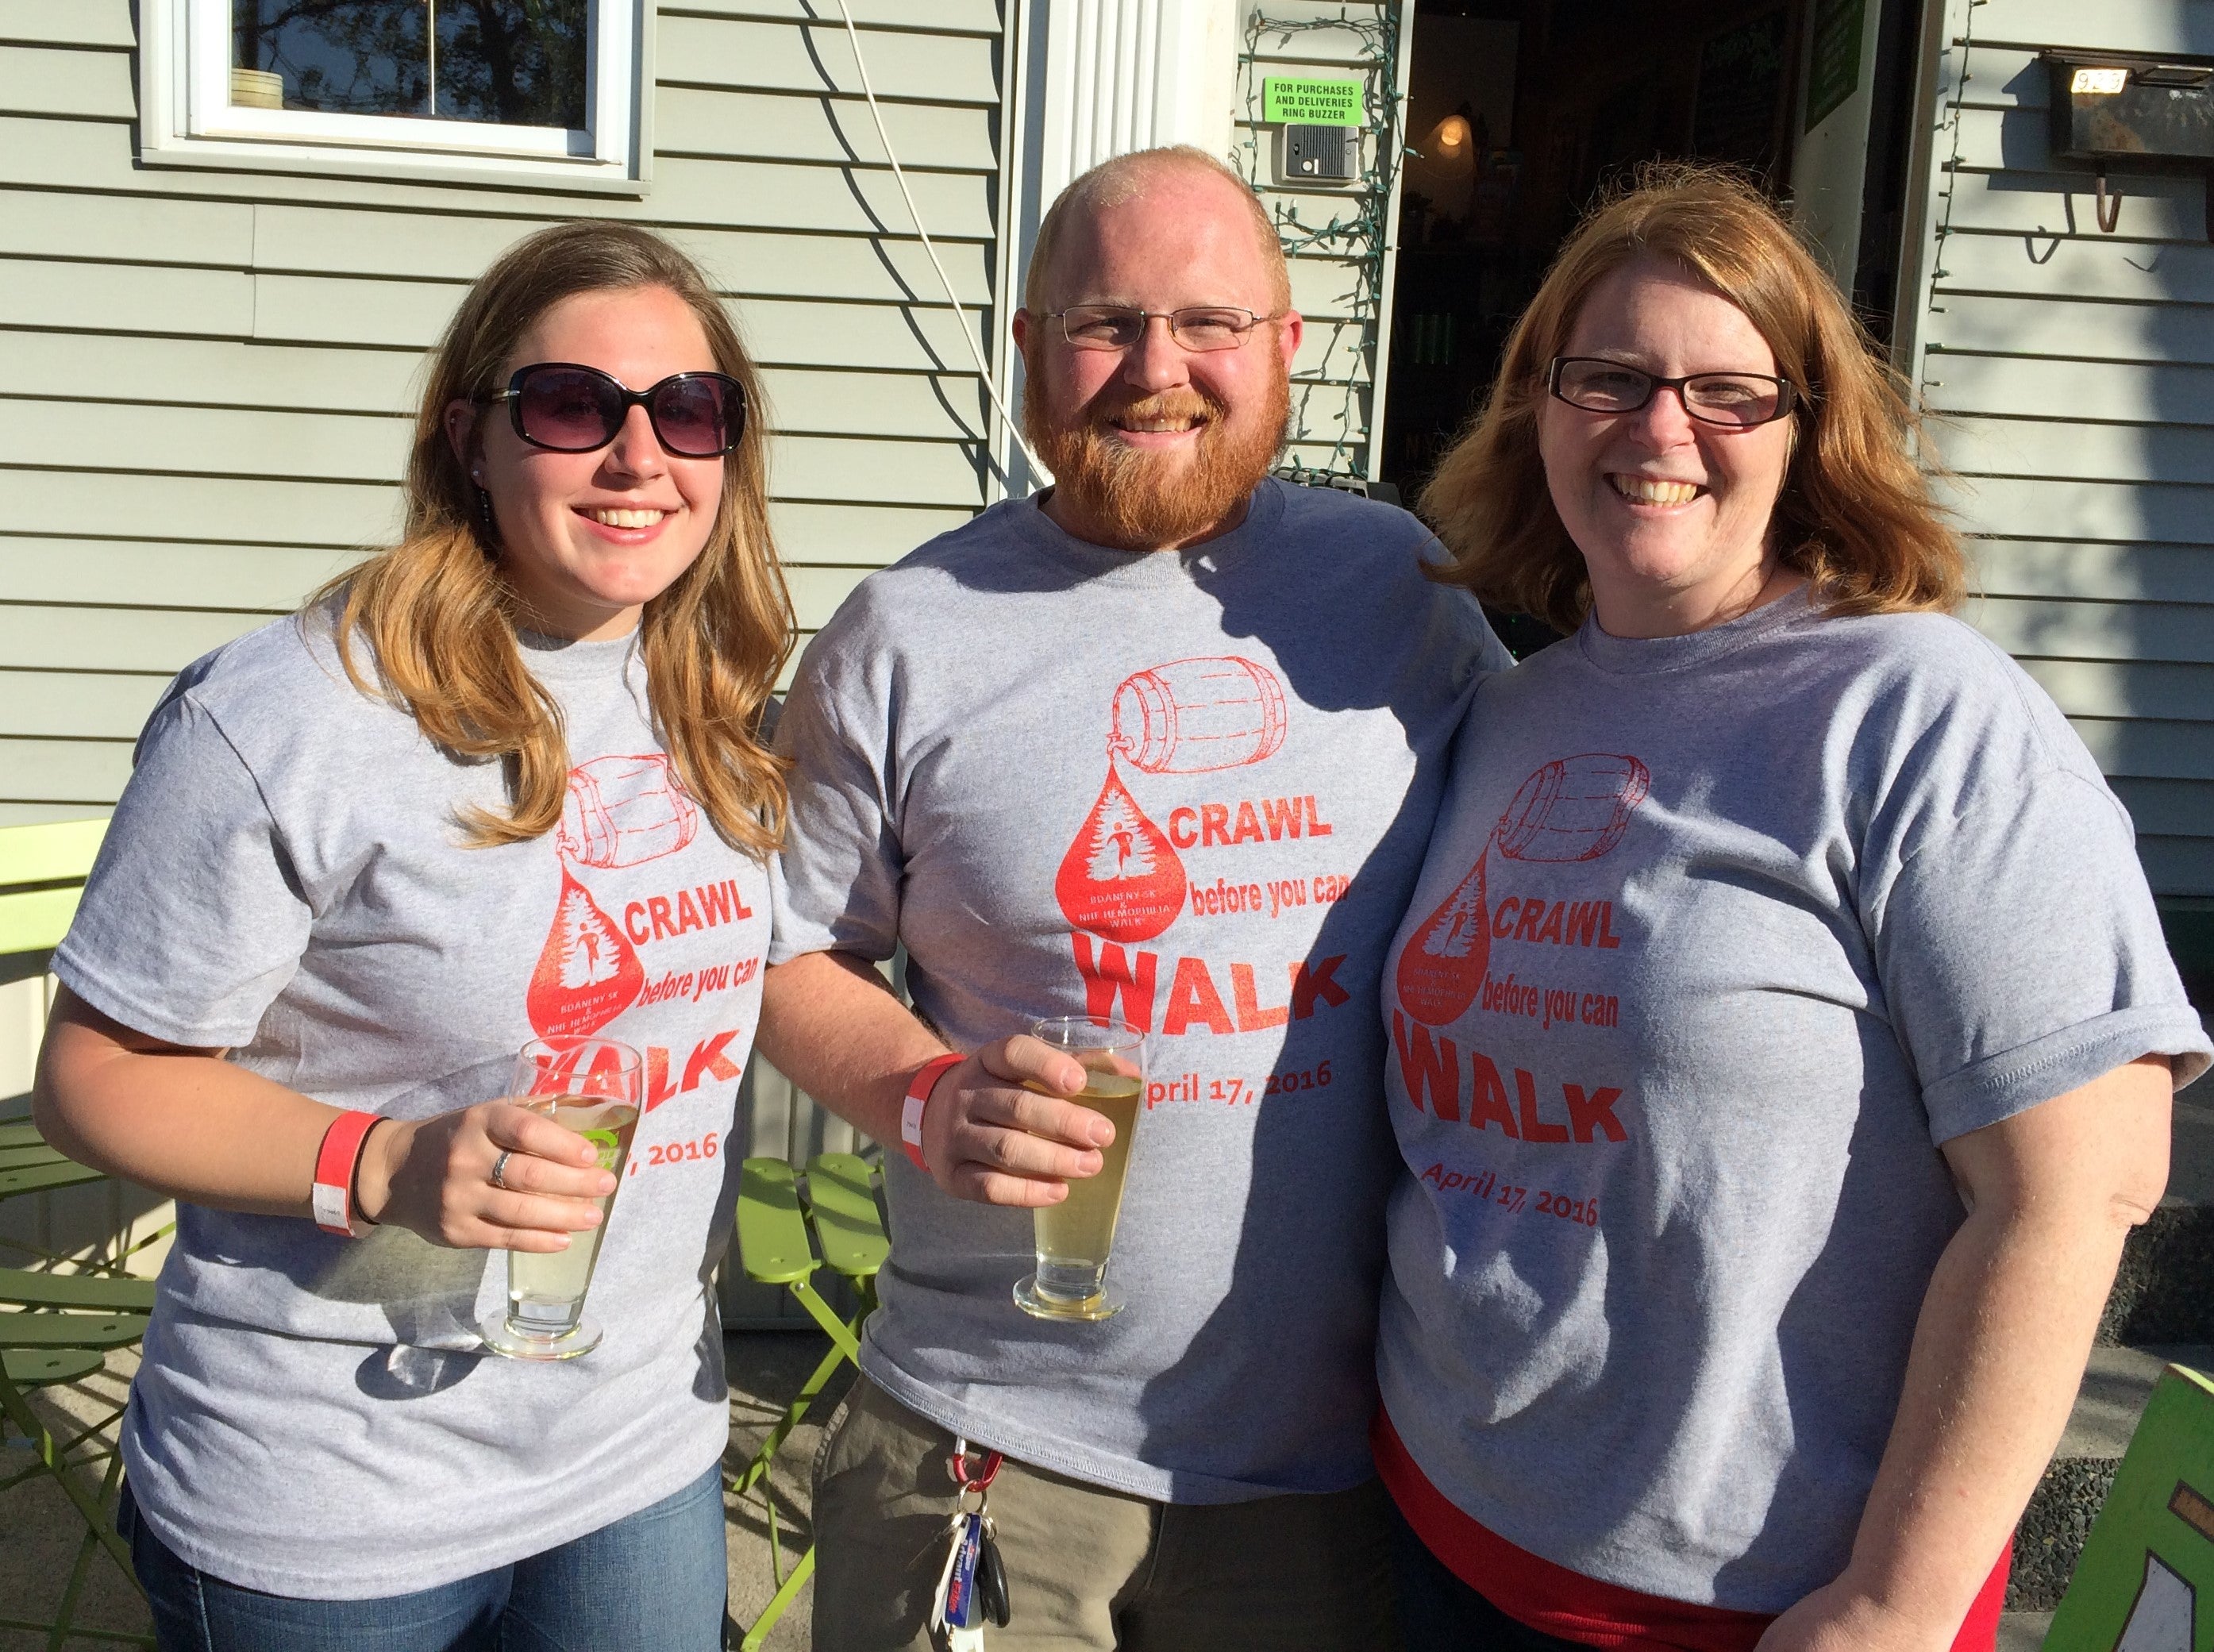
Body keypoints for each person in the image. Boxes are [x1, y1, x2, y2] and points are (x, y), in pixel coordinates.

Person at [1375, 164, 2212, 1652]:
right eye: (1608, 377)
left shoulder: (1922, 715)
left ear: (1806, 429)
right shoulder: (1509, 710)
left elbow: (2078, 1188)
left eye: (1726, 392)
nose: (1658, 430)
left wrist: (1895, 1602)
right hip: (1428, 1522)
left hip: (1750, 1602)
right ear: (1536, 408)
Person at [756, 144, 1513, 1650]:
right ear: (1030, 349)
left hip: (1333, 1474)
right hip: (987, 1433)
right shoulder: (904, 632)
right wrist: (922, 1092)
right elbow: (782, 949)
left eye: (1208, 323)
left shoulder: (1403, 590)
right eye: (1104, 323)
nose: (1156, 370)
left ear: (1285, 346)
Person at [33, 221, 789, 1650]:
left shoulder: (715, 702)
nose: (639, 455)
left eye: (689, 409)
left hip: (633, 1450)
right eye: (572, 405)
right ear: (469, 439)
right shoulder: (293, 713)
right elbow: (97, 1076)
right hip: (329, 1488)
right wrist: (381, 1160)